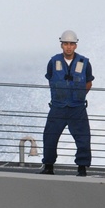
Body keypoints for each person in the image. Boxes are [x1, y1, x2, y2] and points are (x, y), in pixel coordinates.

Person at [39, 30, 93, 176]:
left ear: (75, 45)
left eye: (71, 44)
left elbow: (89, 82)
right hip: (58, 107)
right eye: (66, 44)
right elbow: (51, 79)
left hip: (77, 108)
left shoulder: (85, 63)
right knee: (50, 135)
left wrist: (79, 95)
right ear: (61, 45)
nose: (68, 47)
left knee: (83, 138)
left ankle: (82, 168)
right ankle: (48, 166)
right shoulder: (53, 61)